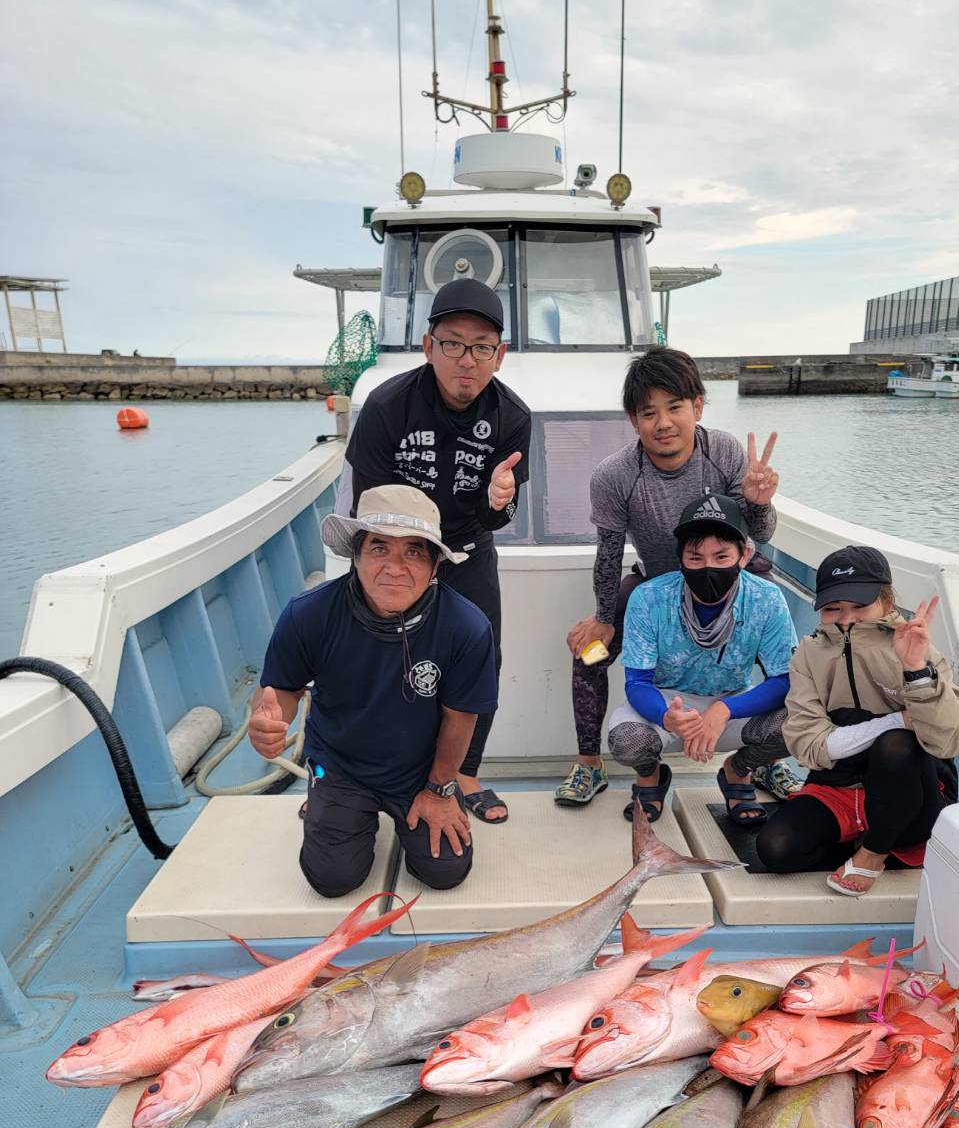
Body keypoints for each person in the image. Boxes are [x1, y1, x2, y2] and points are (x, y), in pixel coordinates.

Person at [555, 346, 785, 807]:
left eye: (675, 407)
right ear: (633, 420)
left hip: (725, 573)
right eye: (649, 413)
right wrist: (604, 617)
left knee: (776, 649)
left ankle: (765, 757)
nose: (663, 422)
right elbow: (608, 552)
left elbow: (757, 533)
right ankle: (589, 762)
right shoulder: (614, 475)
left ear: (697, 406)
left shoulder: (723, 451)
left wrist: (759, 502)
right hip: (654, 583)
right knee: (589, 652)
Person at [342, 277, 530, 825]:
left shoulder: (513, 417)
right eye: (452, 343)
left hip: (469, 552)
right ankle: (354, 777)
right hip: (398, 552)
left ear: (499, 355)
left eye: (481, 347)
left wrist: (500, 501)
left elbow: (501, 517)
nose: (466, 359)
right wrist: (394, 567)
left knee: (481, 658)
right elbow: (366, 506)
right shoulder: (387, 405)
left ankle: (463, 773)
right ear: (429, 347)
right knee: (372, 655)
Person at [248, 485, 498, 896]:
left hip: (421, 770)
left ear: (436, 565)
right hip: (341, 765)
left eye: (414, 552)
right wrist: (267, 722)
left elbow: (461, 717)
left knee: (445, 871)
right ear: (356, 555)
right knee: (332, 879)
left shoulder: (466, 627)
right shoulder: (308, 614)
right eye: (379, 548)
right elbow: (280, 691)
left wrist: (439, 790)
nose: (395, 567)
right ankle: (327, 797)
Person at [758, 545, 959, 895]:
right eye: (833, 608)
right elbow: (809, 746)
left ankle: (874, 851)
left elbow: (951, 741)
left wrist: (916, 670)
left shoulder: (917, 648)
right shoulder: (808, 655)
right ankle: (860, 833)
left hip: (911, 797)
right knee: (775, 849)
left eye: (860, 606)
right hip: (837, 788)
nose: (846, 619)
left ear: (887, 602)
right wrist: (897, 719)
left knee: (897, 745)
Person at [605, 494, 799, 822]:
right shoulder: (648, 597)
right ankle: (650, 777)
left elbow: (783, 680)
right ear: (680, 558)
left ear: (744, 555)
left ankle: (738, 771)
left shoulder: (766, 598)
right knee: (627, 742)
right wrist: (667, 716)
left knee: (801, 724)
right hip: (667, 703)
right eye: (695, 558)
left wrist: (725, 710)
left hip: (733, 702)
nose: (708, 567)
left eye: (722, 556)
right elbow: (637, 683)